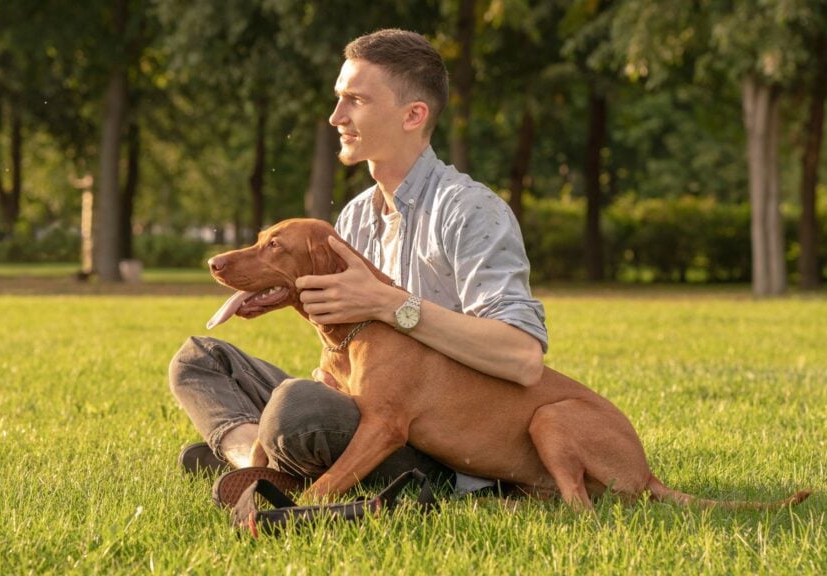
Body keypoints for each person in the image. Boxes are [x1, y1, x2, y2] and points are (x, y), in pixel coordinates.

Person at [169, 29, 548, 492]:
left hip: (436, 442)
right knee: (201, 360)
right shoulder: (354, 217)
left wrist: (391, 304)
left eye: (355, 101)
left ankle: (267, 456)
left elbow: (523, 357)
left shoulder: (470, 210)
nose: (335, 117)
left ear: (413, 115)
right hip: (362, 403)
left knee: (297, 410)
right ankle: (255, 455)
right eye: (337, 99)